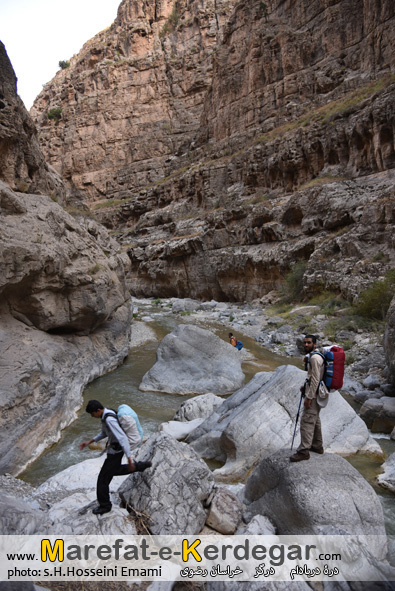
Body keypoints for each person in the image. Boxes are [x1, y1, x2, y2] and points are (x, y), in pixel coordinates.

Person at [80, 400, 151, 515]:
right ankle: (141, 466)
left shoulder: (109, 419)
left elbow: (122, 438)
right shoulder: (105, 416)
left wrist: (129, 457)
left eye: (92, 414)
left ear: (98, 410)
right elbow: (104, 433)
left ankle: (105, 506)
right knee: (114, 471)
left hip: (116, 452)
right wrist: (89, 441)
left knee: (102, 479)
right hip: (114, 450)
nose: (92, 416)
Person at [290, 334, 325, 462]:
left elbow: (316, 379)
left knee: (307, 421)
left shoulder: (315, 358)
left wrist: (309, 397)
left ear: (314, 344)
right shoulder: (316, 356)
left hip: (314, 395)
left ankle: (304, 451)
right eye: (305, 342)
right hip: (317, 393)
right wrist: (305, 386)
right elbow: (313, 378)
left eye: (309, 343)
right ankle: (317, 446)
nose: (306, 345)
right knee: (315, 420)